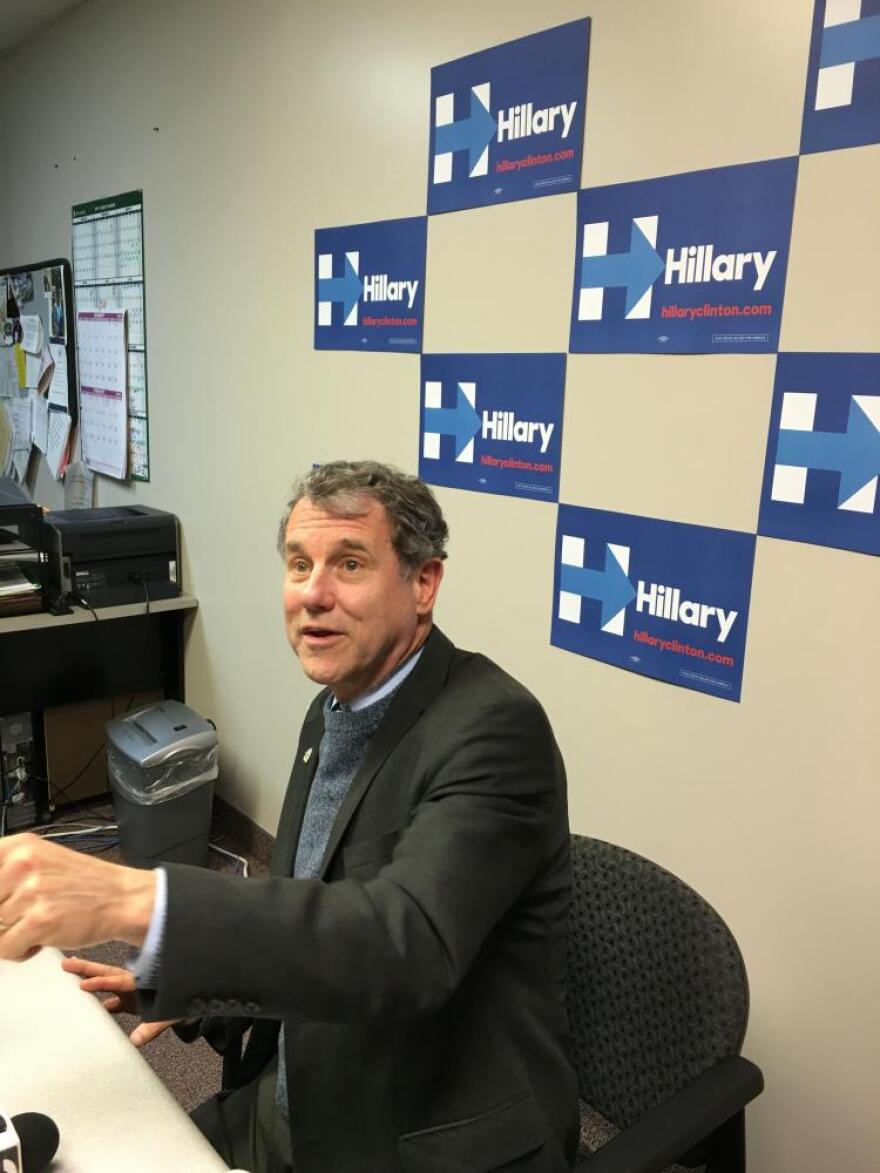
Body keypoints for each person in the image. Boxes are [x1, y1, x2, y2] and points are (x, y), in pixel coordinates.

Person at [0, 461, 579, 1172]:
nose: (313, 594)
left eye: (350, 563)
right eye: (299, 564)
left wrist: (138, 898)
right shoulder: (332, 708)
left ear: (423, 583)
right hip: (295, 1093)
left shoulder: (495, 729)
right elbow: (313, 919)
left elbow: (401, 945)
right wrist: (182, 970)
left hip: (416, 1135)